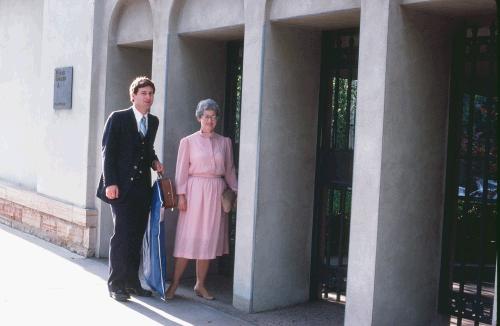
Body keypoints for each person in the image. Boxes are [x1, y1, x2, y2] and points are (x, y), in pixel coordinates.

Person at [96, 76, 164, 302]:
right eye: (144, 93)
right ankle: (116, 285)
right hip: (120, 188)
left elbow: (147, 149)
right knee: (122, 236)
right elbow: (108, 152)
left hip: (142, 190)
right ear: (133, 96)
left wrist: (154, 161)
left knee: (136, 236)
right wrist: (110, 183)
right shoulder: (118, 118)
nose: (148, 97)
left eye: (151, 94)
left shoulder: (153, 121)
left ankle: (133, 283)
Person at [165, 99, 238, 300]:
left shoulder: (225, 142)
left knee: (207, 240)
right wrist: (181, 195)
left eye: (214, 117)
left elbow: (230, 170)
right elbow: (181, 171)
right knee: (187, 239)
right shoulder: (187, 141)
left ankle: (200, 284)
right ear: (199, 118)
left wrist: (235, 191)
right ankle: (175, 284)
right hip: (194, 192)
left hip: (216, 191)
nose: (210, 120)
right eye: (206, 116)